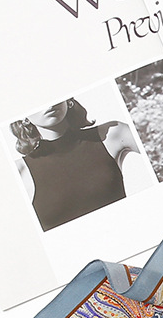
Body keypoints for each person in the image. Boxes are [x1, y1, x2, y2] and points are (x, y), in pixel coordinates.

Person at [11, 98, 140, 231]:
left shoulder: (113, 133)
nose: (49, 104)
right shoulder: (19, 171)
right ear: (23, 117)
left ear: (68, 100)